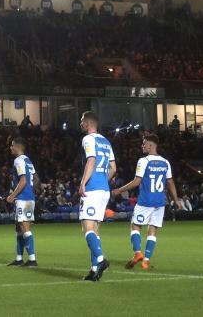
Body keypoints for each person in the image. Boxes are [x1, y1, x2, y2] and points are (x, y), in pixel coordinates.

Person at [111, 134, 181, 270]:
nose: (142, 146)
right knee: (152, 230)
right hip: (160, 202)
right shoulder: (165, 162)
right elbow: (170, 182)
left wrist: (119, 190)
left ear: (150, 145)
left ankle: (138, 253)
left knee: (135, 226)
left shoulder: (144, 161)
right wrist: (176, 200)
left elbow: (136, 181)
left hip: (145, 201)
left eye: (144, 144)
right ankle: (147, 260)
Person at [78, 111, 116, 281]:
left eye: (82, 121)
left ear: (87, 123)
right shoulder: (106, 142)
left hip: (92, 189)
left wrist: (83, 182)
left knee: (87, 229)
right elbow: (113, 168)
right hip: (104, 190)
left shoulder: (88, 139)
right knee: (95, 230)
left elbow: (91, 160)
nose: (80, 124)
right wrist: (102, 181)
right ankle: (94, 271)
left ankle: (100, 260)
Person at [5, 137, 37, 267]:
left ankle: (32, 259)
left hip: (23, 199)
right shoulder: (28, 160)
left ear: (18, 146)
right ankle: (19, 258)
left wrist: (12, 195)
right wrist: (31, 191)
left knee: (24, 227)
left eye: (12, 145)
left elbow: (23, 181)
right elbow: (35, 178)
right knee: (19, 227)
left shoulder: (18, 160)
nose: (11, 147)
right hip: (28, 197)